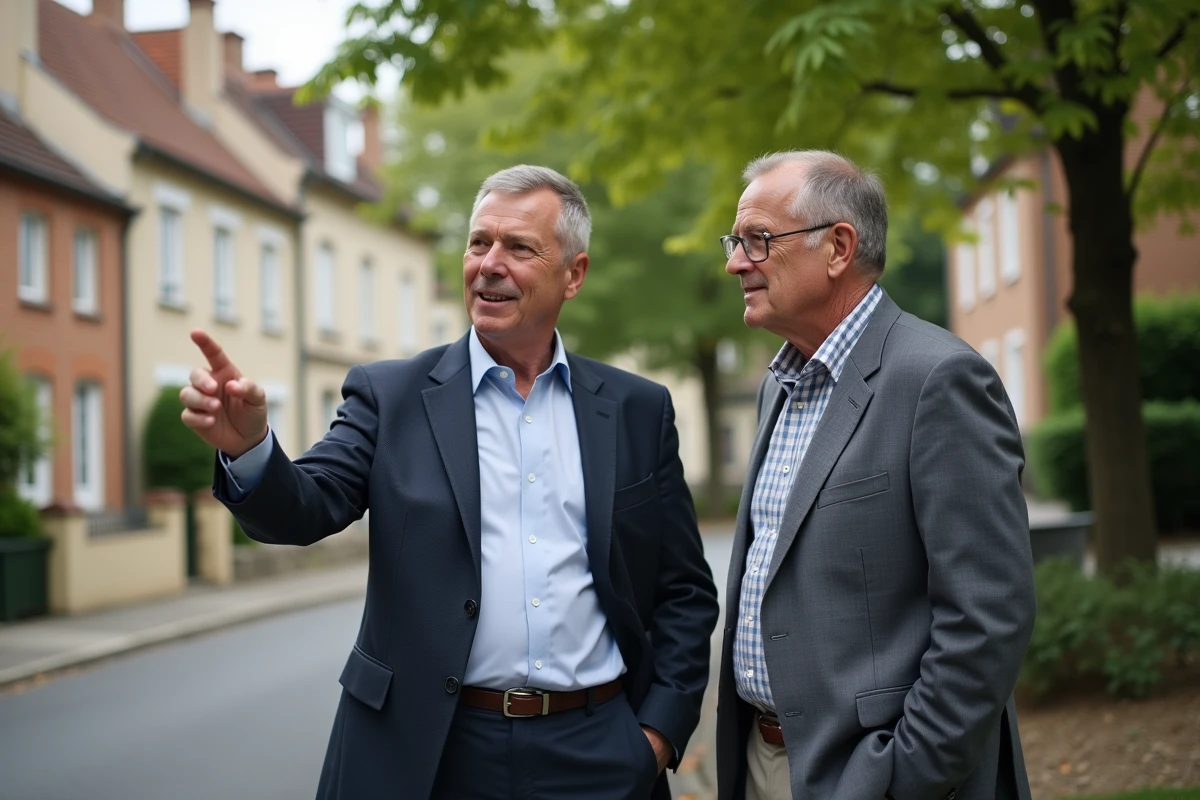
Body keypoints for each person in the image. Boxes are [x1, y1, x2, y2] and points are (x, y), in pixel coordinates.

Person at [180, 165, 719, 800]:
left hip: (598, 750)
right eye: (478, 242)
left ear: (573, 275)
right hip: (430, 752)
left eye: (519, 247)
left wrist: (654, 736)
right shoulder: (392, 395)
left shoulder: (635, 409)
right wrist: (249, 450)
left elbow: (683, 591)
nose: (489, 264)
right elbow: (305, 507)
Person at [714, 150, 1036, 800]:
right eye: (735, 241)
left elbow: (987, 618)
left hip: (877, 778)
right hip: (762, 763)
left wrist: (898, 777)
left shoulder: (938, 381)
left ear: (837, 248)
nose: (735, 262)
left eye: (757, 240)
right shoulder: (778, 386)